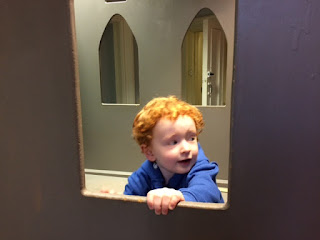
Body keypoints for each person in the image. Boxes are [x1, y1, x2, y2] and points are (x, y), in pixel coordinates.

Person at [123, 96, 224, 215]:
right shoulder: (146, 172)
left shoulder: (200, 166)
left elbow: (207, 190)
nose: (186, 149)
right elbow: (129, 201)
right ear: (150, 152)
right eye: (174, 142)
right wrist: (112, 201)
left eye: (191, 138)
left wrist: (181, 196)